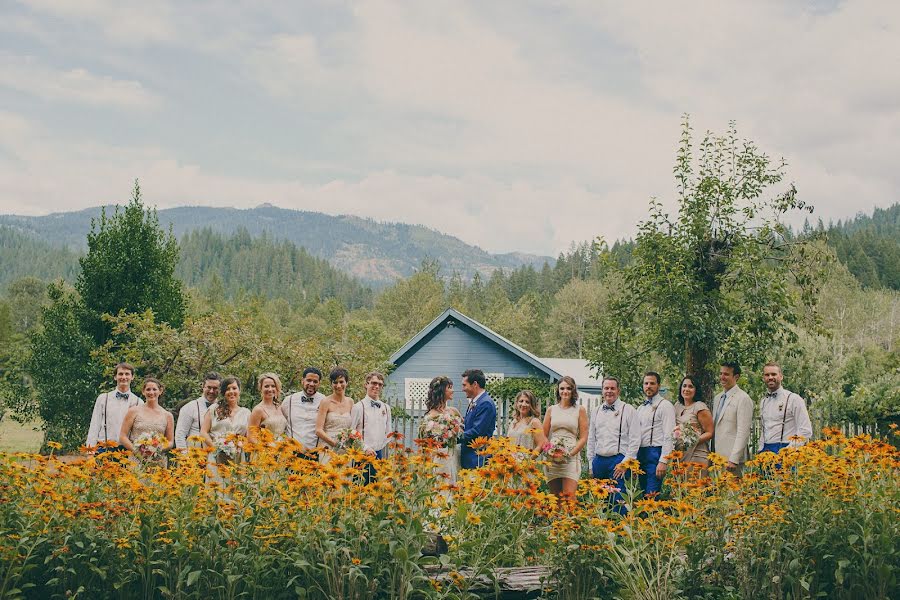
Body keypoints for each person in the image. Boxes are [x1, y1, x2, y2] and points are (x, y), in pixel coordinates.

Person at [587, 376, 641, 513]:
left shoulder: (628, 410)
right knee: (600, 502)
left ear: (618, 391)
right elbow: (591, 438)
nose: (609, 391)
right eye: (606, 388)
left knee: (619, 502)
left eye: (612, 388)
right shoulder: (596, 411)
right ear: (602, 390)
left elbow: (635, 439)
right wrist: (590, 463)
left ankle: (620, 533)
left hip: (618, 461)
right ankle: (601, 533)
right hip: (599, 461)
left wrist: (625, 463)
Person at [543, 377, 588, 498]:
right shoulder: (551, 410)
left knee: (569, 499)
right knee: (555, 499)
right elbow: (543, 435)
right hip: (552, 459)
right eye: (562, 388)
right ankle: (555, 518)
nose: (565, 391)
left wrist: (569, 454)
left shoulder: (580, 410)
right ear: (557, 390)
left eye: (568, 388)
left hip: (571, 458)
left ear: (573, 391)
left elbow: (583, 438)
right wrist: (550, 451)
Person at [86, 362, 143, 453]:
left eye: (127, 374)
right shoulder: (103, 398)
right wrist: (90, 451)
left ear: (132, 377)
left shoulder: (138, 402)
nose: (123, 377)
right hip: (103, 449)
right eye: (120, 374)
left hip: (128, 451)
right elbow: (94, 426)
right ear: (115, 377)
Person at [758, 362, 813, 455]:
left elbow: (806, 430)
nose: (770, 377)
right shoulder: (763, 402)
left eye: (774, 374)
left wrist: (789, 451)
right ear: (764, 378)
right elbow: (764, 429)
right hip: (766, 451)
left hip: (786, 450)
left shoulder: (793, 399)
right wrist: (760, 449)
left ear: (781, 376)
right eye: (767, 375)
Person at [119, 377, 174, 466]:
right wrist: (137, 451)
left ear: (160, 391)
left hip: (157, 460)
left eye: (154, 389)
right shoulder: (133, 411)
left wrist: (156, 449)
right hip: (136, 459)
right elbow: (123, 436)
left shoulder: (167, 415)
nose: (151, 392)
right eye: (148, 389)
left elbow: (170, 441)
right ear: (143, 391)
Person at [636, 371, 675, 496]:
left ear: (658, 385)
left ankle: (652, 516)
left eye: (652, 383)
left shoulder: (665, 406)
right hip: (641, 454)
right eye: (646, 383)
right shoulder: (641, 408)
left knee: (652, 494)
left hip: (655, 453)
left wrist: (663, 460)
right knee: (642, 493)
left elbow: (669, 434)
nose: (648, 386)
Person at [349, 371, 393, 483]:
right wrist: (365, 448)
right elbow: (351, 432)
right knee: (360, 491)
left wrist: (378, 447)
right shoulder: (358, 407)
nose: (376, 386)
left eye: (380, 384)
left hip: (379, 455)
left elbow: (388, 432)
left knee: (376, 490)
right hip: (362, 456)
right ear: (366, 384)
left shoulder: (386, 408)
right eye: (373, 383)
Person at [712, 361, 753, 476]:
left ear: (736, 377)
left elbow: (743, 432)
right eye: (720, 374)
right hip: (718, 458)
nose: (722, 377)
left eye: (726, 374)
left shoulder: (743, 398)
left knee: (733, 493)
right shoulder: (717, 398)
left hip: (733, 461)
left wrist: (734, 459)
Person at [419, 375, 462, 484]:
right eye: (450, 387)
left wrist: (456, 432)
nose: (453, 390)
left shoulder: (454, 411)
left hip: (454, 455)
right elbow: (425, 443)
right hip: (439, 458)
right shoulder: (430, 417)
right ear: (441, 391)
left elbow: (464, 431)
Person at [201, 376, 251, 465]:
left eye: (234, 388)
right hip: (216, 457)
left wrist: (240, 445)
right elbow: (203, 432)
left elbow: (249, 436)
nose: (231, 391)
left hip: (238, 458)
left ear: (239, 391)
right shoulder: (214, 409)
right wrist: (216, 448)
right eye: (228, 389)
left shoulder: (246, 413)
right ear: (224, 393)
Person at [282, 367, 326, 459]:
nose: (311, 384)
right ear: (302, 381)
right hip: (291, 454)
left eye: (315, 381)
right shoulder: (289, 400)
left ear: (319, 383)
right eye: (308, 380)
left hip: (314, 456)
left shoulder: (325, 401)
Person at [673, 375, 714, 475]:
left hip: (697, 454)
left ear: (696, 390)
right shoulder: (677, 406)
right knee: (679, 488)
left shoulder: (699, 407)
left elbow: (710, 432)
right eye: (684, 386)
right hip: (680, 455)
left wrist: (692, 440)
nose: (686, 389)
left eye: (690, 386)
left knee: (694, 488)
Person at [315, 367, 354, 465]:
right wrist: (335, 444)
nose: (338, 385)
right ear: (331, 384)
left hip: (346, 449)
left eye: (341, 382)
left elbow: (353, 427)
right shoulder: (325, 402)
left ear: (347, 383)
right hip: (328, 448)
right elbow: (318, 430)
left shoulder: (350, 402)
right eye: (335, 382)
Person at [460, 369, 497, 470]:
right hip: (470, 458)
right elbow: (469, 426)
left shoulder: (485, 403)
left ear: (475, 384)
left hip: (477, 459)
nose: (463, 389)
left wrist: (454, 437)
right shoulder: (476, 401)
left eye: (464, 385)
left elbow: (477, 431)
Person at [174, 372, 221, 449]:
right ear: (203, 387)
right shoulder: (190, 407)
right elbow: (180, 435)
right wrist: (184, 458)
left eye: (215, 388)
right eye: (209, 387)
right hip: (194, 456)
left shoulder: (223, 408)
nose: (211, 391)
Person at [247, 373, 288, 446]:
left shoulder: (280, 407)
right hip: (265, 453)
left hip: (282, 452)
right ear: (261, 388)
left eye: (273, 386)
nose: (270, 389)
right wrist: (267, 447)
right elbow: (251, 437)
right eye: (266, 386)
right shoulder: (258, 410)